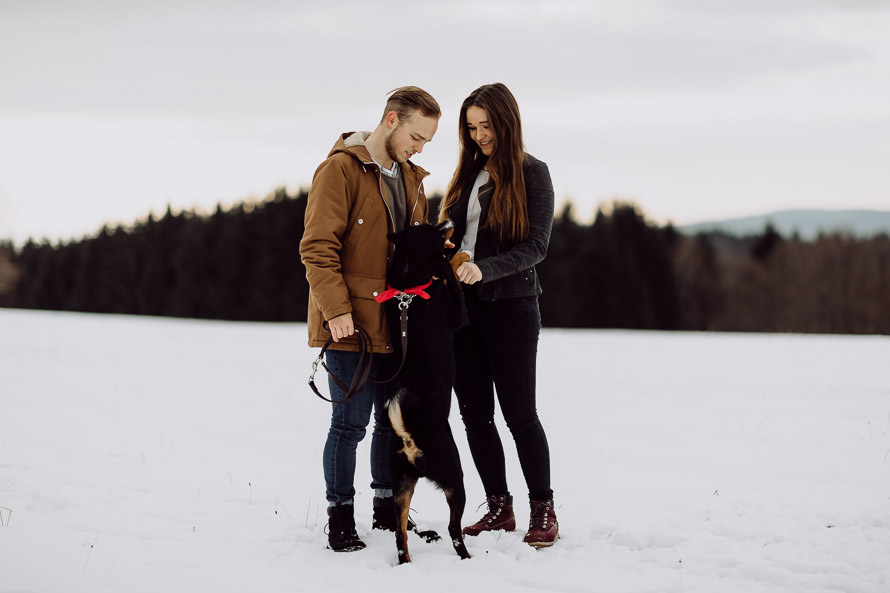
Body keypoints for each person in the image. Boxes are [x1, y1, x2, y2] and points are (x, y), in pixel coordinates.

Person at [300, 86, 441, 552]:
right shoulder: (339, 169)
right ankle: (340, 517)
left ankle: (386, 513)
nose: (420, 148)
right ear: (390, 121)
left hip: (395, 322)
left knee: (389, 424)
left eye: (426, 141)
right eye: (417, 137)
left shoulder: (409, 179)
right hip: (350, 326)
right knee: (349, 425)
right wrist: (335, 311)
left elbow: (417, 247)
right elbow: (318, 247)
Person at [438, 82, 558, 547]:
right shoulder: (466, 175)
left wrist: (482, 270)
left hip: (511, 308)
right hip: (461, 312)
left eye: (486, 126)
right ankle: (499, 507)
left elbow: (537, 246)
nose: (479, 135)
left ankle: (542, 509)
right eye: (471, 127)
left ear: (507, 122)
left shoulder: (533, 173)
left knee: (519, 415)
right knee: (474, 416)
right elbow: (453, 238)